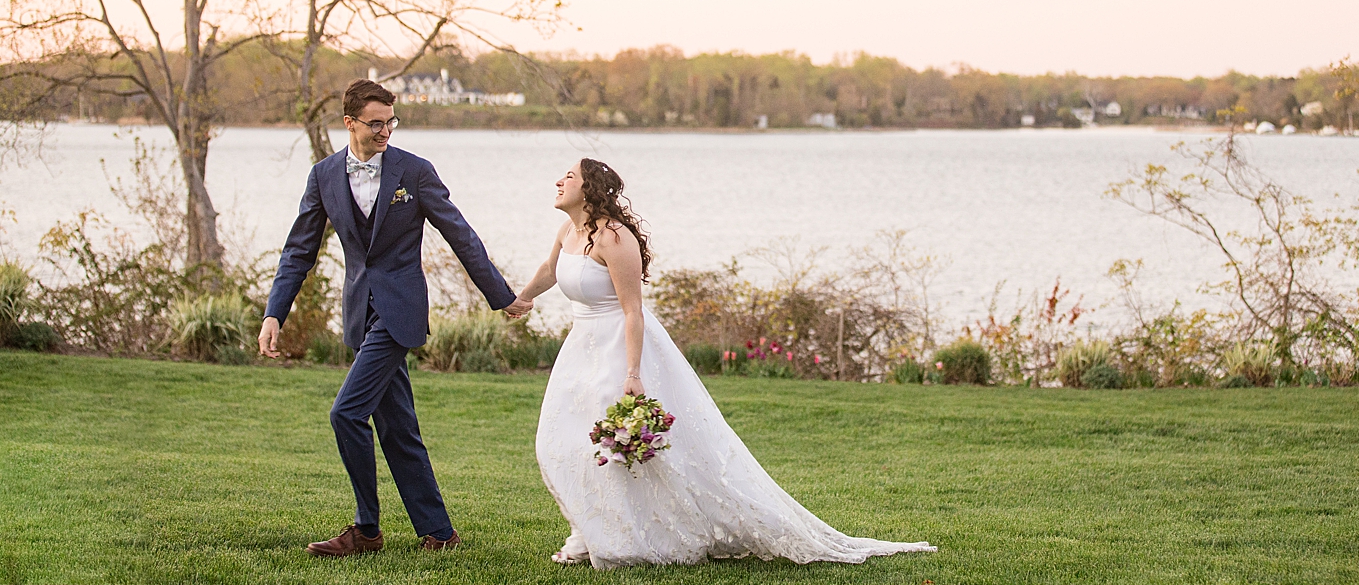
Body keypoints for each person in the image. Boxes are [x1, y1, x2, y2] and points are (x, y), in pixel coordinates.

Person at [513, 158, 935, 568]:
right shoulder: (569, 230)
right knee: (560, 441)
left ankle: (615, 537)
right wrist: (523, 296)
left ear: (590, 189)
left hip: (618, 347)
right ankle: (587, 528)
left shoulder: (613, 238)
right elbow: (551, 269)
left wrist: (633, 374)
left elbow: (632, 312)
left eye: (568, 177)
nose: (558, 182)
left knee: (620, 447)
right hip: (579, 349)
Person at [257, 78, 530, 557]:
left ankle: (366, 530)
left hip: (399, 313)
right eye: (376, 123)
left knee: (345, 413)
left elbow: (460, 235)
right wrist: (275, 312)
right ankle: (439, 534)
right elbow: (298, 251)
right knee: (399, 429)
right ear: (350, 123)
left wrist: (501, 295)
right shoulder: (323, 176)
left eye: (391, 122)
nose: (386, 131)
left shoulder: (415, 171)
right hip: (361, 314)